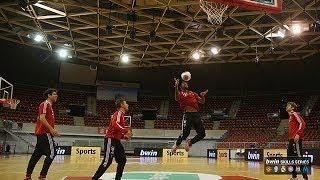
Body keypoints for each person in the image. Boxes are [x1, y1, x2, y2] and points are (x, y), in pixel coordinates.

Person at [92, 98, 132, 180]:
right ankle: (94, 178)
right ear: (121, 105)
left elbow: (117, 132)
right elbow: (115, 125)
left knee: (122, 160)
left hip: (116, 140)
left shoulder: (122, 115)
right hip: (111, 140)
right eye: (126, 103)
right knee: (107, 161)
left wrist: (124, 136)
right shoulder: (118, 113)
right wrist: (126, 130)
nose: (127, 104)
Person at [24, 89, 59, 180]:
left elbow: (42, 119)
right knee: (52, 153)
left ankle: (28, 175)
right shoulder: (45, 104)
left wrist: (52, 129)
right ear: (49, 95)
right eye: (54, 94)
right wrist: (51, 129)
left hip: (42, 133)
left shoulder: (49, 106)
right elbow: (42, 118)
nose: (56, 96)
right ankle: (42, 176)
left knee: (37, 154)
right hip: (45, 133)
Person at [172, 78, 208, 153]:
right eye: (183, 83)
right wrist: (176, 87)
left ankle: (190, 142)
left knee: (202, 134)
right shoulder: (180, 93)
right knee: (185, 133)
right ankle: (176, 144)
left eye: (186, 83)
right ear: (180, 86)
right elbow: (176, 98)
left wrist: (202, 96)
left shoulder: (193, 93)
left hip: (196, 114)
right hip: (187, 114)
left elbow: (202, 102)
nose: (185, 84)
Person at [286, 102, 308, 180]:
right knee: (290, 158)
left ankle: (305, 178)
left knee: (299, 158)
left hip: (296, 139)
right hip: (291, 139)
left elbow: (303, 123)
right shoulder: (290, 116)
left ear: (292, 108)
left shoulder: (294, 114)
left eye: (288, 105)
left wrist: (298, 134)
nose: (286, 106)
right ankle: (294, 177)